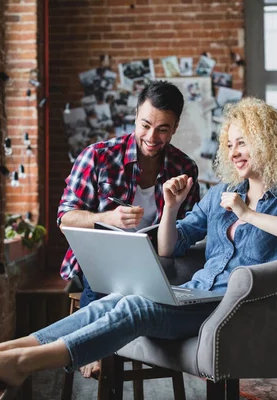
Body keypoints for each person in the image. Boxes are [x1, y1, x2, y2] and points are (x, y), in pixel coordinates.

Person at [0, 98, 277, 392]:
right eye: (229, 145)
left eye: (242, 143)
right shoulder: (220, 196)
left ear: (267, 143)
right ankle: (11, 350)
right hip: (195, 297)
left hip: (231, 309)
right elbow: (168, 249)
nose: (234, 153)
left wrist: (247, 214)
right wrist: (172, 207)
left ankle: (27, 361)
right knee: (114, 300)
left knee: (132, 306)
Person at [58, 80, 201, 377]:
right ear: (135, 115)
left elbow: (187, 233)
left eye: (163, 129)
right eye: (145, 124)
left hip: (157, 261)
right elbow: (65, 218)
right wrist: (108, 218)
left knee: (168, 277)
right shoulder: (98, 156)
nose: (152, 136)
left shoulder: (183, 168)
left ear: (174, 128)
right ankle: (97, 347)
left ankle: (109, 344)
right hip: (100, 260)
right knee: (112, 279)